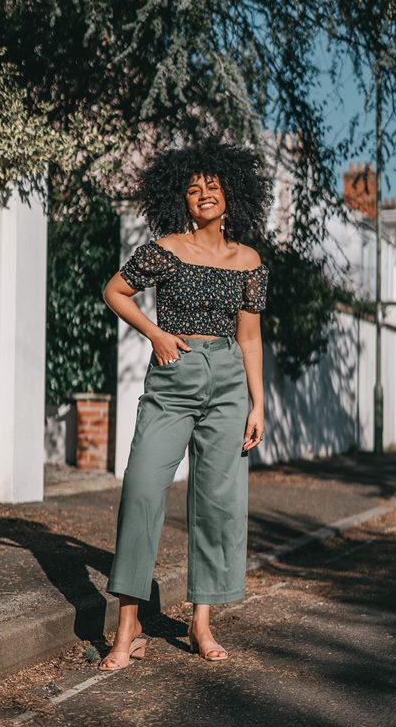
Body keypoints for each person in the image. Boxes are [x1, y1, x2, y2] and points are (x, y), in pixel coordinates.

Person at [99, 139, 272, 669]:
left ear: (230, 194)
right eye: (194, 187)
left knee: (217, 503)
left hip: (226, 383)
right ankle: (128, 624)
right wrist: (155, 334)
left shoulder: (248, 261)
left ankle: (201, 622)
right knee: (143, 489)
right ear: (182, 198)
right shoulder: (164, 248)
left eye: (212, 186)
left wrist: (258, 404)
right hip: (173, 376)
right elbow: (115, 291)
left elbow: (249, 338)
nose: (203, 194)